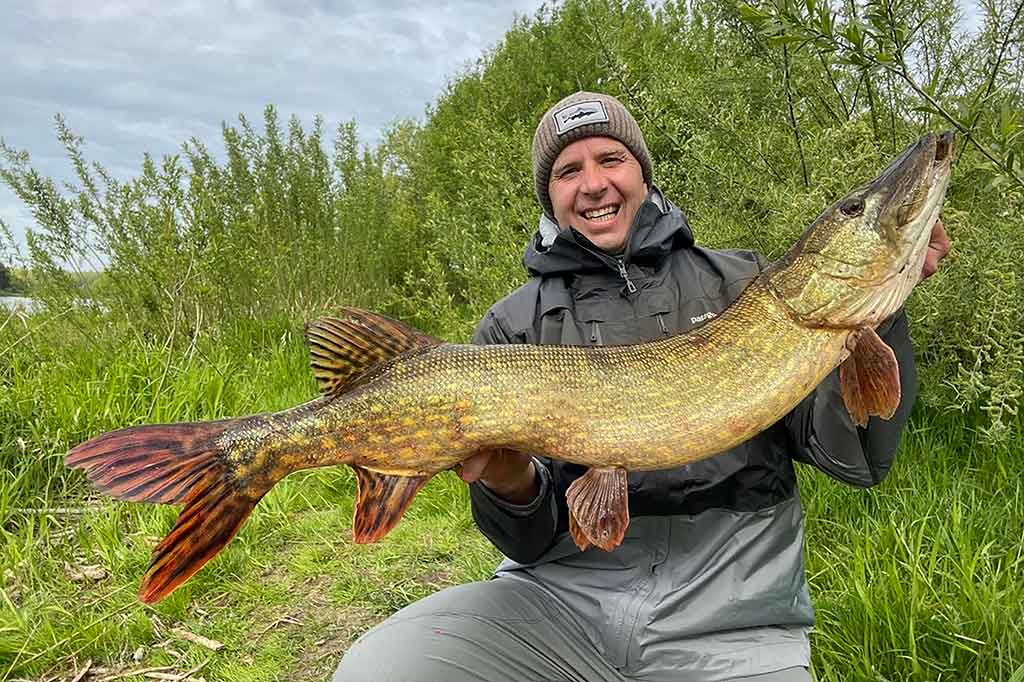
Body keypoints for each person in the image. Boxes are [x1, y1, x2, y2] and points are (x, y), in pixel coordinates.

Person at [333, 91, 951, 682]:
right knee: (383, 670)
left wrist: (885, 314)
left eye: (611, 158)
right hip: (562, 608)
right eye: (568, 170)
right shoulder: (512, 326)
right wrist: (504, 476)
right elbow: (525, 535)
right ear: (550, 197)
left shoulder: (747, 288)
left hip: (733, 624)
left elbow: (858, 459)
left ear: (644, 173)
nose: (593, 182)